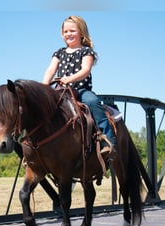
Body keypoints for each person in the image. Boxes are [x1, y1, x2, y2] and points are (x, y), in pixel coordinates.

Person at [42, 15, 116, 154]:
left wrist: (69, 79)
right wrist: (44, 86)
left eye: (72, 31)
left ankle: (107, 139)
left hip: (81, 90)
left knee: (93, 102)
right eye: (66, 32)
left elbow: (85, 70)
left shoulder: (86, 51)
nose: (68, 34)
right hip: (61, 91)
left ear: (81, 32)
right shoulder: (59, 52)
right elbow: (51, 69)